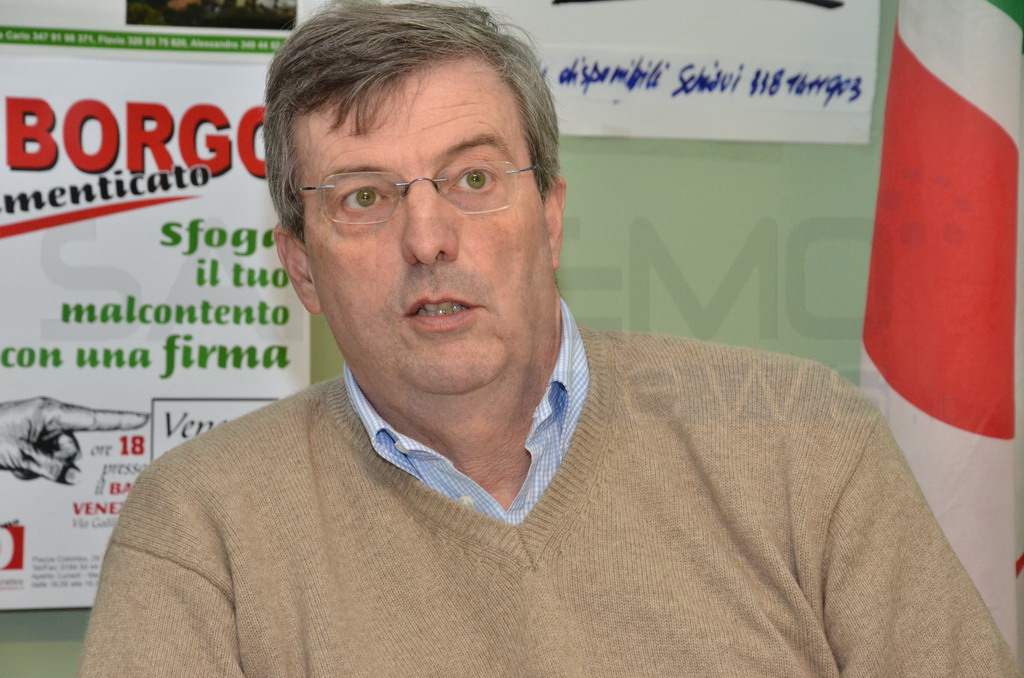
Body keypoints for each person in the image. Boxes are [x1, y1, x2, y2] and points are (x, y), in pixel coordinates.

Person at [79, 2, 1019, 676]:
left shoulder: (803, 441)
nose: (428, 239)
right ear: (303, 269)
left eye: (474, 179)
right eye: (364, 196)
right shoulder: (200, 526)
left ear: (552, 216)